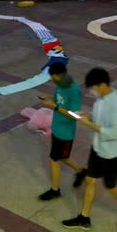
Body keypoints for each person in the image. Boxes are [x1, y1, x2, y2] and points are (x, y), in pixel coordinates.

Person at [62, 67, 117, 231]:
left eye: (93, 88)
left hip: (111, 155)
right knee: (90, 181)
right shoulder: (101, 100)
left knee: (111, 186)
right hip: (97, 149)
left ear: (102, 85)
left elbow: (112, 133)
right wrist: (88, 115)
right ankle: (84, 218)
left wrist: (88, 124)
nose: (91, 92)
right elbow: (99, 117)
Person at [38, 61, 87, 201]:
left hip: (65, 133)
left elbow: (75, 115)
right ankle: (81, 171)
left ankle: (55, 190)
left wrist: (55, 107)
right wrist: (50, 99)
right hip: (56, 128)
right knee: (63, 157)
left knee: (54, 159)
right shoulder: (60, 84)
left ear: (59, 75)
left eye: (53, 77)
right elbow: (59, 101)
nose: (52, 79)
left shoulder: (73, 90)